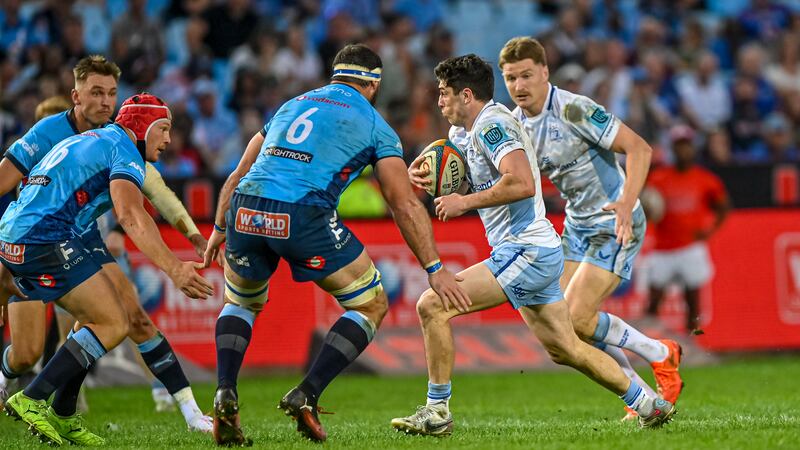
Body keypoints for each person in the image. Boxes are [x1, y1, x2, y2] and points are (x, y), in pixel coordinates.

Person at [391, 54, 674, 435]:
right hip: (529, 250)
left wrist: (464, 202)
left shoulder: (493, 126)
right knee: (565, 348)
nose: (439, 102)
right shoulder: (463, 132)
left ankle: (437, 410)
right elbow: (474, 178)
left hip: (526, 249)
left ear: (467, 95)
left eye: (444, 94)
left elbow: (521, 182)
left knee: (432, 306)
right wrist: (430, 175)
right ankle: (649, 405)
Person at [203, 44, 468, 445]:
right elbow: (402, 202)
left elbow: (240, 171)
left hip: (246, 208)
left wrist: (220, 225)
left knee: (240, 302)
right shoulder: (376, 125)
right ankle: (306, 393)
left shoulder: (290, 105)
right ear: (373, 85)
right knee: (370, 303)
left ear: (335, 76)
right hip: (302, 214)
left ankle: (225, 391)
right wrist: (434, 268)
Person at [0, 56, 214, 436]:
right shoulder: (117, 147)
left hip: (20, 234)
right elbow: (131, 215)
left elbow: (156, 195)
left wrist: (194, 236)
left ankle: (64, 414)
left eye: (112, 93)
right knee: (112, 322)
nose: (168, 140)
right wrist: (174, 267)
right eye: (163, 129)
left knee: (103, 320)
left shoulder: (93, 138)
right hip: (48, 238)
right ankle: (32, 398)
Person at [497, 37, 683, 420]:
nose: (519, 86)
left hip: (614, 221)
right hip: (576, 225)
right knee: (566, 324)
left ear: (545, 72)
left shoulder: (574, 109)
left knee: (579, 317)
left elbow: (640, 148)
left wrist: (628, 204)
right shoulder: (514, 124)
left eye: (527, 75)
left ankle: (661, 354)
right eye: (511, 78)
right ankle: (645, 397)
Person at [646, 125, 729, 332]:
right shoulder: (659, 178)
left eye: (687, 145)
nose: (684, 150)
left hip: (691, 246)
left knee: (693, 301)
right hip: (663, 248)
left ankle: (695, 344)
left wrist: (710, 230)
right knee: (653, 300)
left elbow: (723, 206)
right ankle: (647, 343)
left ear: (693, 148)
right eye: (679, 146)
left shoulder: (705, 179)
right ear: (673, 149)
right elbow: (647, 207)